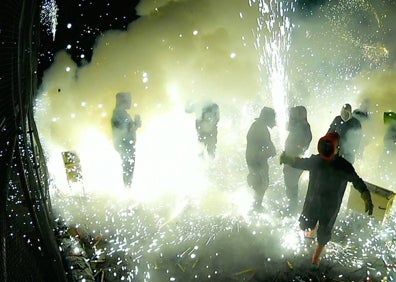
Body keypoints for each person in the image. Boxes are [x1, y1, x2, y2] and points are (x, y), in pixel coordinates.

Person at [280, 132, 373, 267]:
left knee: (324, 233)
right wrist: (288, 159)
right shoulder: (317, 160)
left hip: (330, 206)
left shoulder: (344, 167)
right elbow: (302, 162)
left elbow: (357, 181)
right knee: (305, 223)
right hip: (313, 201)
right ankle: (310, 236)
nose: (327, 149)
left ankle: (316, 257)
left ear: (337, 148)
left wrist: (366, 195)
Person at [246, 107, 276, 211]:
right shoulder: (260, 128)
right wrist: (271, 151)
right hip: (257, 160)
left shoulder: (257, 126)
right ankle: (256, 206)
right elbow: (266, 144)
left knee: (260, 182)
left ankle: (257, 204)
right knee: (262, 183)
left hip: (254, 159)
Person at [283, 106, 312, 214]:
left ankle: (292, 208)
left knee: (291, 184)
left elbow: (302, 143)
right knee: (290, 184)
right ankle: (292, 206)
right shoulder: (302, 126)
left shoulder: (303, 127)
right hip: (292, 159)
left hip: (294, 160)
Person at [111, 92, 141, 188]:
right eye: (129, 99)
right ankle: (127, 190)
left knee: (128, 168)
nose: (131, 102)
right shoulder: (120, 113)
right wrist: (136, 124)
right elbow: (126, 130)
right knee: (128, 168)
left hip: (125, 144)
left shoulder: (120, 113)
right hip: (125, 145)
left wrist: (135, 125)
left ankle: (127, 188)